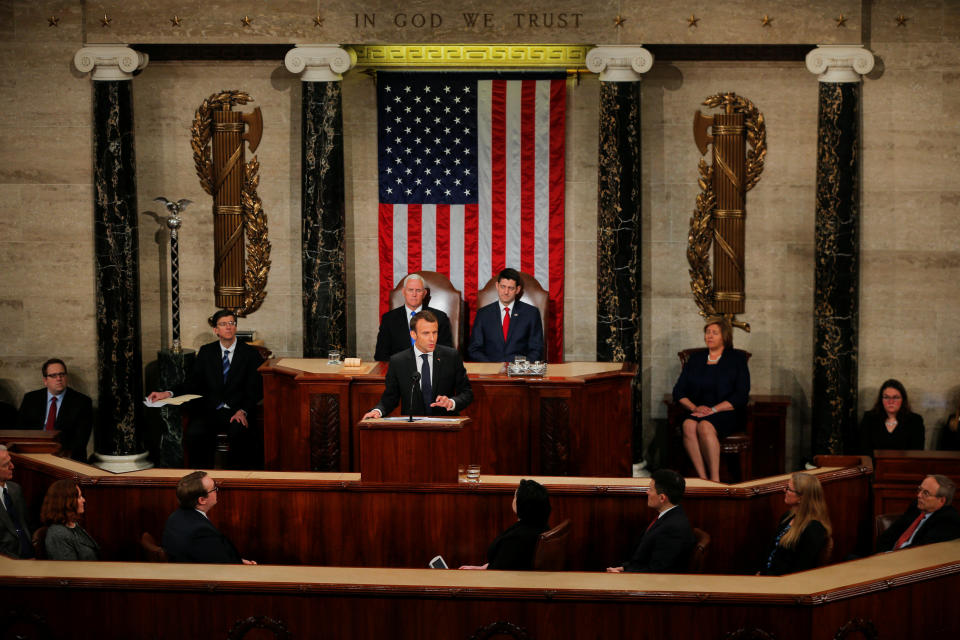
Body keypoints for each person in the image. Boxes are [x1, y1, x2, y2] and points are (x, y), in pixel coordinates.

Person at [147, 310, 264, 469]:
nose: (228, 327)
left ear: (235, 327)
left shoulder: (250, 354)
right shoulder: (207, 352)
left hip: (237, 411)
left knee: (241, 434)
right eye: (223, 324)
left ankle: (236, 481)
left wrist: (243, 410)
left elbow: (255, 389)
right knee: (195, 433)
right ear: (216, 330)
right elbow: (192, 383)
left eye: (232, 323)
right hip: (211, 410)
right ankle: (202, 479)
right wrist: (167, 393)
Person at [673, 319, 751, 482]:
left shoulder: (736, 359)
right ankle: (702, 478)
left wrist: (714, 410)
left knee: (705, 426)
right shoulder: (695, 359)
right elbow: (678, 391)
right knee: (688, 425)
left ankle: (715, 480)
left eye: (714, 333)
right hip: (698, 410)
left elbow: (741, 394)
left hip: (726, 411)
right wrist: (695, 408)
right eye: (707, 332)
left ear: (725, 336)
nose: (709, 336)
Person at [363, 310, 473, 419]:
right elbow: (390, 398)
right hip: (413, 428)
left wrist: (451, 402)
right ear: (413, 334)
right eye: (426, 333)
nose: (432, 338)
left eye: (434, 332)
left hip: (445, 425)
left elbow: (467, 393)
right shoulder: (398, 361)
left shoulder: (451, 357)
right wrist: (378, 411)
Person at [607, 469, 695, 573]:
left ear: (662, 498)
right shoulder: (670, 516)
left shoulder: (673, 529)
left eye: (650, 489)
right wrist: (623, 568)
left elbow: (657, 570)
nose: (647, 492)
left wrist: (625, 574)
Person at [162, 470, 255, 564]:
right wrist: (240, 566)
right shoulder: (201, 531)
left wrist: (240, 561)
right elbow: (221, 566)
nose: (217, 491)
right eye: (214, 489)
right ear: (202, 500)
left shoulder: (175, 517)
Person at [460, 479, 551, 571]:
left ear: (521, 504)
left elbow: (498, 573)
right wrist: (483, 568)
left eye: (515, 496)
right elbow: (509, 562)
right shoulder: (542, 526)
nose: (513, 499)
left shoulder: (515, 539)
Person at [16, 358, 93, 462]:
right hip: (34, 455)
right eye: (53, 375)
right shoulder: (31, 399)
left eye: (62, 374)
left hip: (66, 459)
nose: (59, 378)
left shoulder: (82, 402)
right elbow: (21, 431)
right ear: (45, 380)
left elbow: (80, 442)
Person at [759, 473, 831, 575]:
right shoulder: (787, 516)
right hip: (768, 576)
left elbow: (801, 568)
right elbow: (771, 551)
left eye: (789, 489)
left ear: (802, 498)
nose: (784, 490)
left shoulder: (814, 529)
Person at [468, 268, 545, 363]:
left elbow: (536, 349)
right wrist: (490, 366)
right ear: (497, 286)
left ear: (517, 289)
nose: (506, 292)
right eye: (503, 287)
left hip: (520, 372)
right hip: (490, 371)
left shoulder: (531, 313)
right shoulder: (483, 314)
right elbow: (474, 349)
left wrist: (521, 367)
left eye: (511, 288)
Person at [374, 273, 454, 361]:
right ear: (404, 292)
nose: (414, 294)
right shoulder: (389, 319)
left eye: (418, 290)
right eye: (410, 290)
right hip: (399, 369)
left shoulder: (440, 317)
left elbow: (446, 353)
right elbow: (381, 355)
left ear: (424, 293)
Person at [876, 474, 960, 552]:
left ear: (941, 500)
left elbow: (919, 551)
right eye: (920, 490)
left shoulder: (948, 520)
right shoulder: (916, 506)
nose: (919, 495)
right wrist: (881, 554)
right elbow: (890, 534)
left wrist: (889, 557)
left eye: (926, 493)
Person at [858, 379, 924, 454]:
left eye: (895, 397)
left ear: (903, 399)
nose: (891, 401)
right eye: (886, 397)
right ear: (881, 400)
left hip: (905, 465)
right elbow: (863, 450)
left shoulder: (915, 421)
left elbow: (917, 452)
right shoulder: (869, 418)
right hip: (873, 465)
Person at [40, 479, 99, 561]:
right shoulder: (58, 534)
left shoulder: (73, 524)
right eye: (79, 497)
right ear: (66, 502)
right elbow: (68, 571)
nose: (83, 500)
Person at [0, 445, 33, 558]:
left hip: (30, 554)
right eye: (6, 465)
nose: (12, 466)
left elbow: (26, 524)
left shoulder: (15, 489)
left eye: (11, 462)